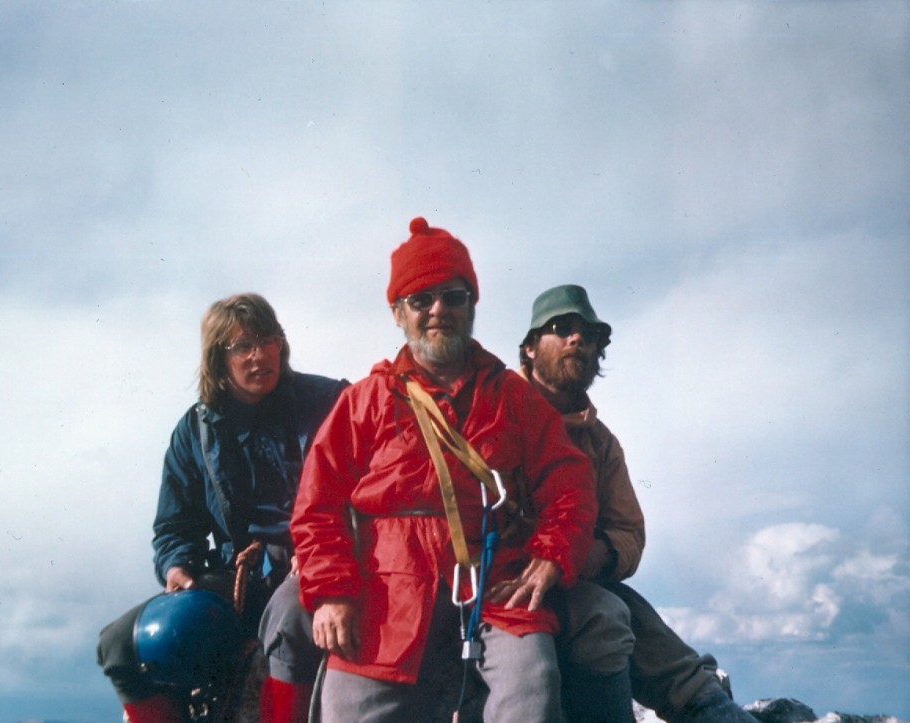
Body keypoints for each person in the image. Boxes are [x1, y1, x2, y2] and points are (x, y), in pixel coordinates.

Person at [285, 217, 598, 722]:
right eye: (421, 299)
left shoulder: (513, 396)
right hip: (387, 591)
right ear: (397, 313)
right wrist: (332, 594)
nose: (438, 311)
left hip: (495, 581)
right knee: (348, 712)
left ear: (472, 305)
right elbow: (316, 505)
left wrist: (552, 556)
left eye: (453, 297)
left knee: (533, 686)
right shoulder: (364, 401)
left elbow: (570, 483)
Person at [96, 293, 347, 723]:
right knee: (120, 643)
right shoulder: (194, 431)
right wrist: (178, 568)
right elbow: (175, 526)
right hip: (239, 579)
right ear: (217, 359)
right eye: (242, 347)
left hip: (317, 564)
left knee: (286, 624)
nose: (259, 355)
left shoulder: (330, 403)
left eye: (268, 340)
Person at [519, 284, 759, 723]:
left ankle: (708, 706)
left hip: (573, 579)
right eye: (562, 328)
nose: (577, 340)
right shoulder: (497, 414)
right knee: (610, 613)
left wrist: (589, 557)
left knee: (627, 610)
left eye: (588, 335)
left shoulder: (600, 443)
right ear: (531, 348)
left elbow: (628, 533)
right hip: (507, 579)